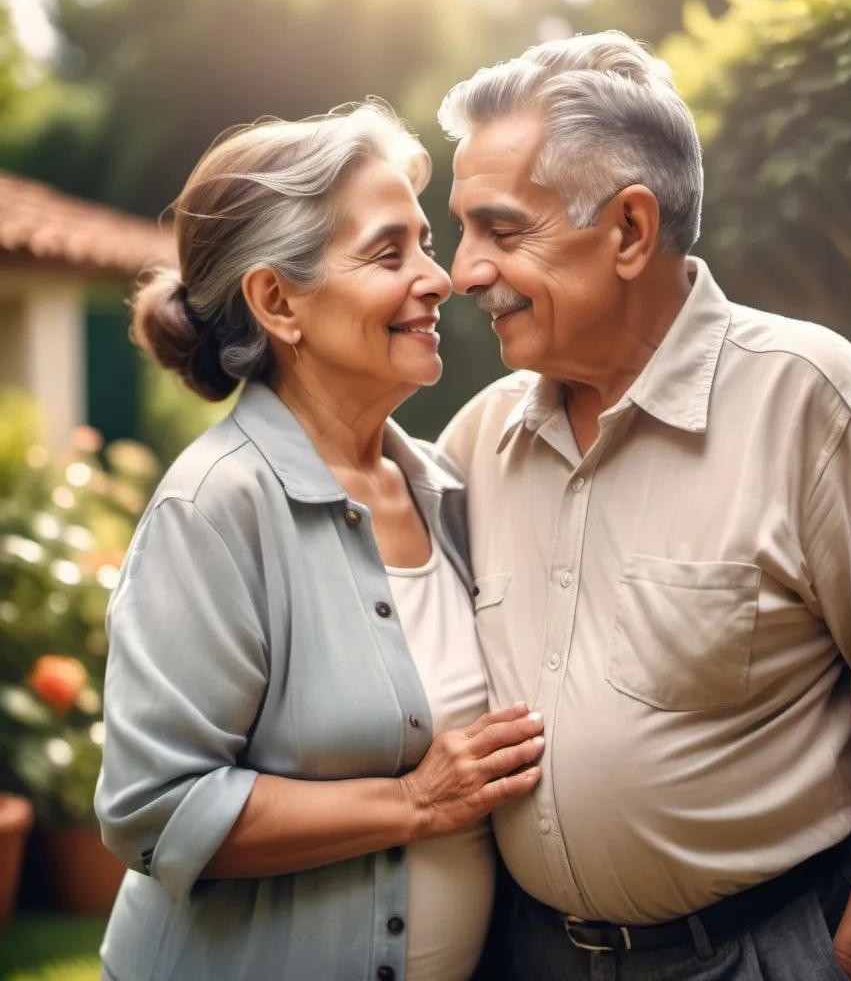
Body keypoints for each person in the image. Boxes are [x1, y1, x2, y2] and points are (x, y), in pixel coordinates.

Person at [436, 32, 851, 981]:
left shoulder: (813, 399)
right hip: (528, 953)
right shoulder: (480, 437)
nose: (464, 272)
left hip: (757, 956)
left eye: (502, 232)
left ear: (629, 230)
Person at [94, 102, 544, 981]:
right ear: (277, 302)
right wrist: (413, 803)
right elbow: (155, 807)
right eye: (389, 253)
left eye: (424, 243)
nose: (438, 278)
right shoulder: (215, 507)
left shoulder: (444, 490)